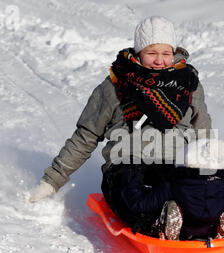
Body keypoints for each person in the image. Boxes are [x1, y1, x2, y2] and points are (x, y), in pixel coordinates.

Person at [29, 16, 212, 217]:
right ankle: (160, 220)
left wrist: (211, 169)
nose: (159, 61)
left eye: (166, 53)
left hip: (172, 164)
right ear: (138, 53)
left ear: (174, 53)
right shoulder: (115, 86)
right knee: (132, 192)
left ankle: (210, 214)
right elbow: (85, 137)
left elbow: (203, 132)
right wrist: (52, 181)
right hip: (126, 167)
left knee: (192, 186)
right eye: (151, 53)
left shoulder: (187, 85)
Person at [119, 138, 224, 241]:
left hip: (185, 228)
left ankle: (166, 224)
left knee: (161, 208)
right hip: (212, 225)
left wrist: (132, 173)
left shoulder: (174, 185)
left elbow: (139, 203)